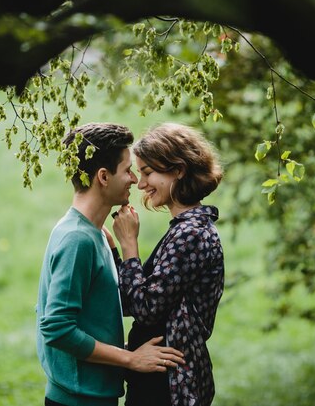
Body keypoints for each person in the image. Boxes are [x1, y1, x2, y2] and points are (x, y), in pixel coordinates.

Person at [36, 122, 185, 406]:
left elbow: (90, 319)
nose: (134, 180)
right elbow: (57, 328)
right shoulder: (77, 240)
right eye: (128, 170)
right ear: (103, 177)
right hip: (79, 400)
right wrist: (130, 359)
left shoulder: (97, 233)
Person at [111, 122, 225, 406]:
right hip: (156, 375)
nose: (141, 183)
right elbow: (131, 300)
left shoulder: (190, 234)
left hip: (170, 385)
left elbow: (146, 308)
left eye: (148, 172)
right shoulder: (184, 229)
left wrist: (129, 246)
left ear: (178, 169)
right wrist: (114, 252)